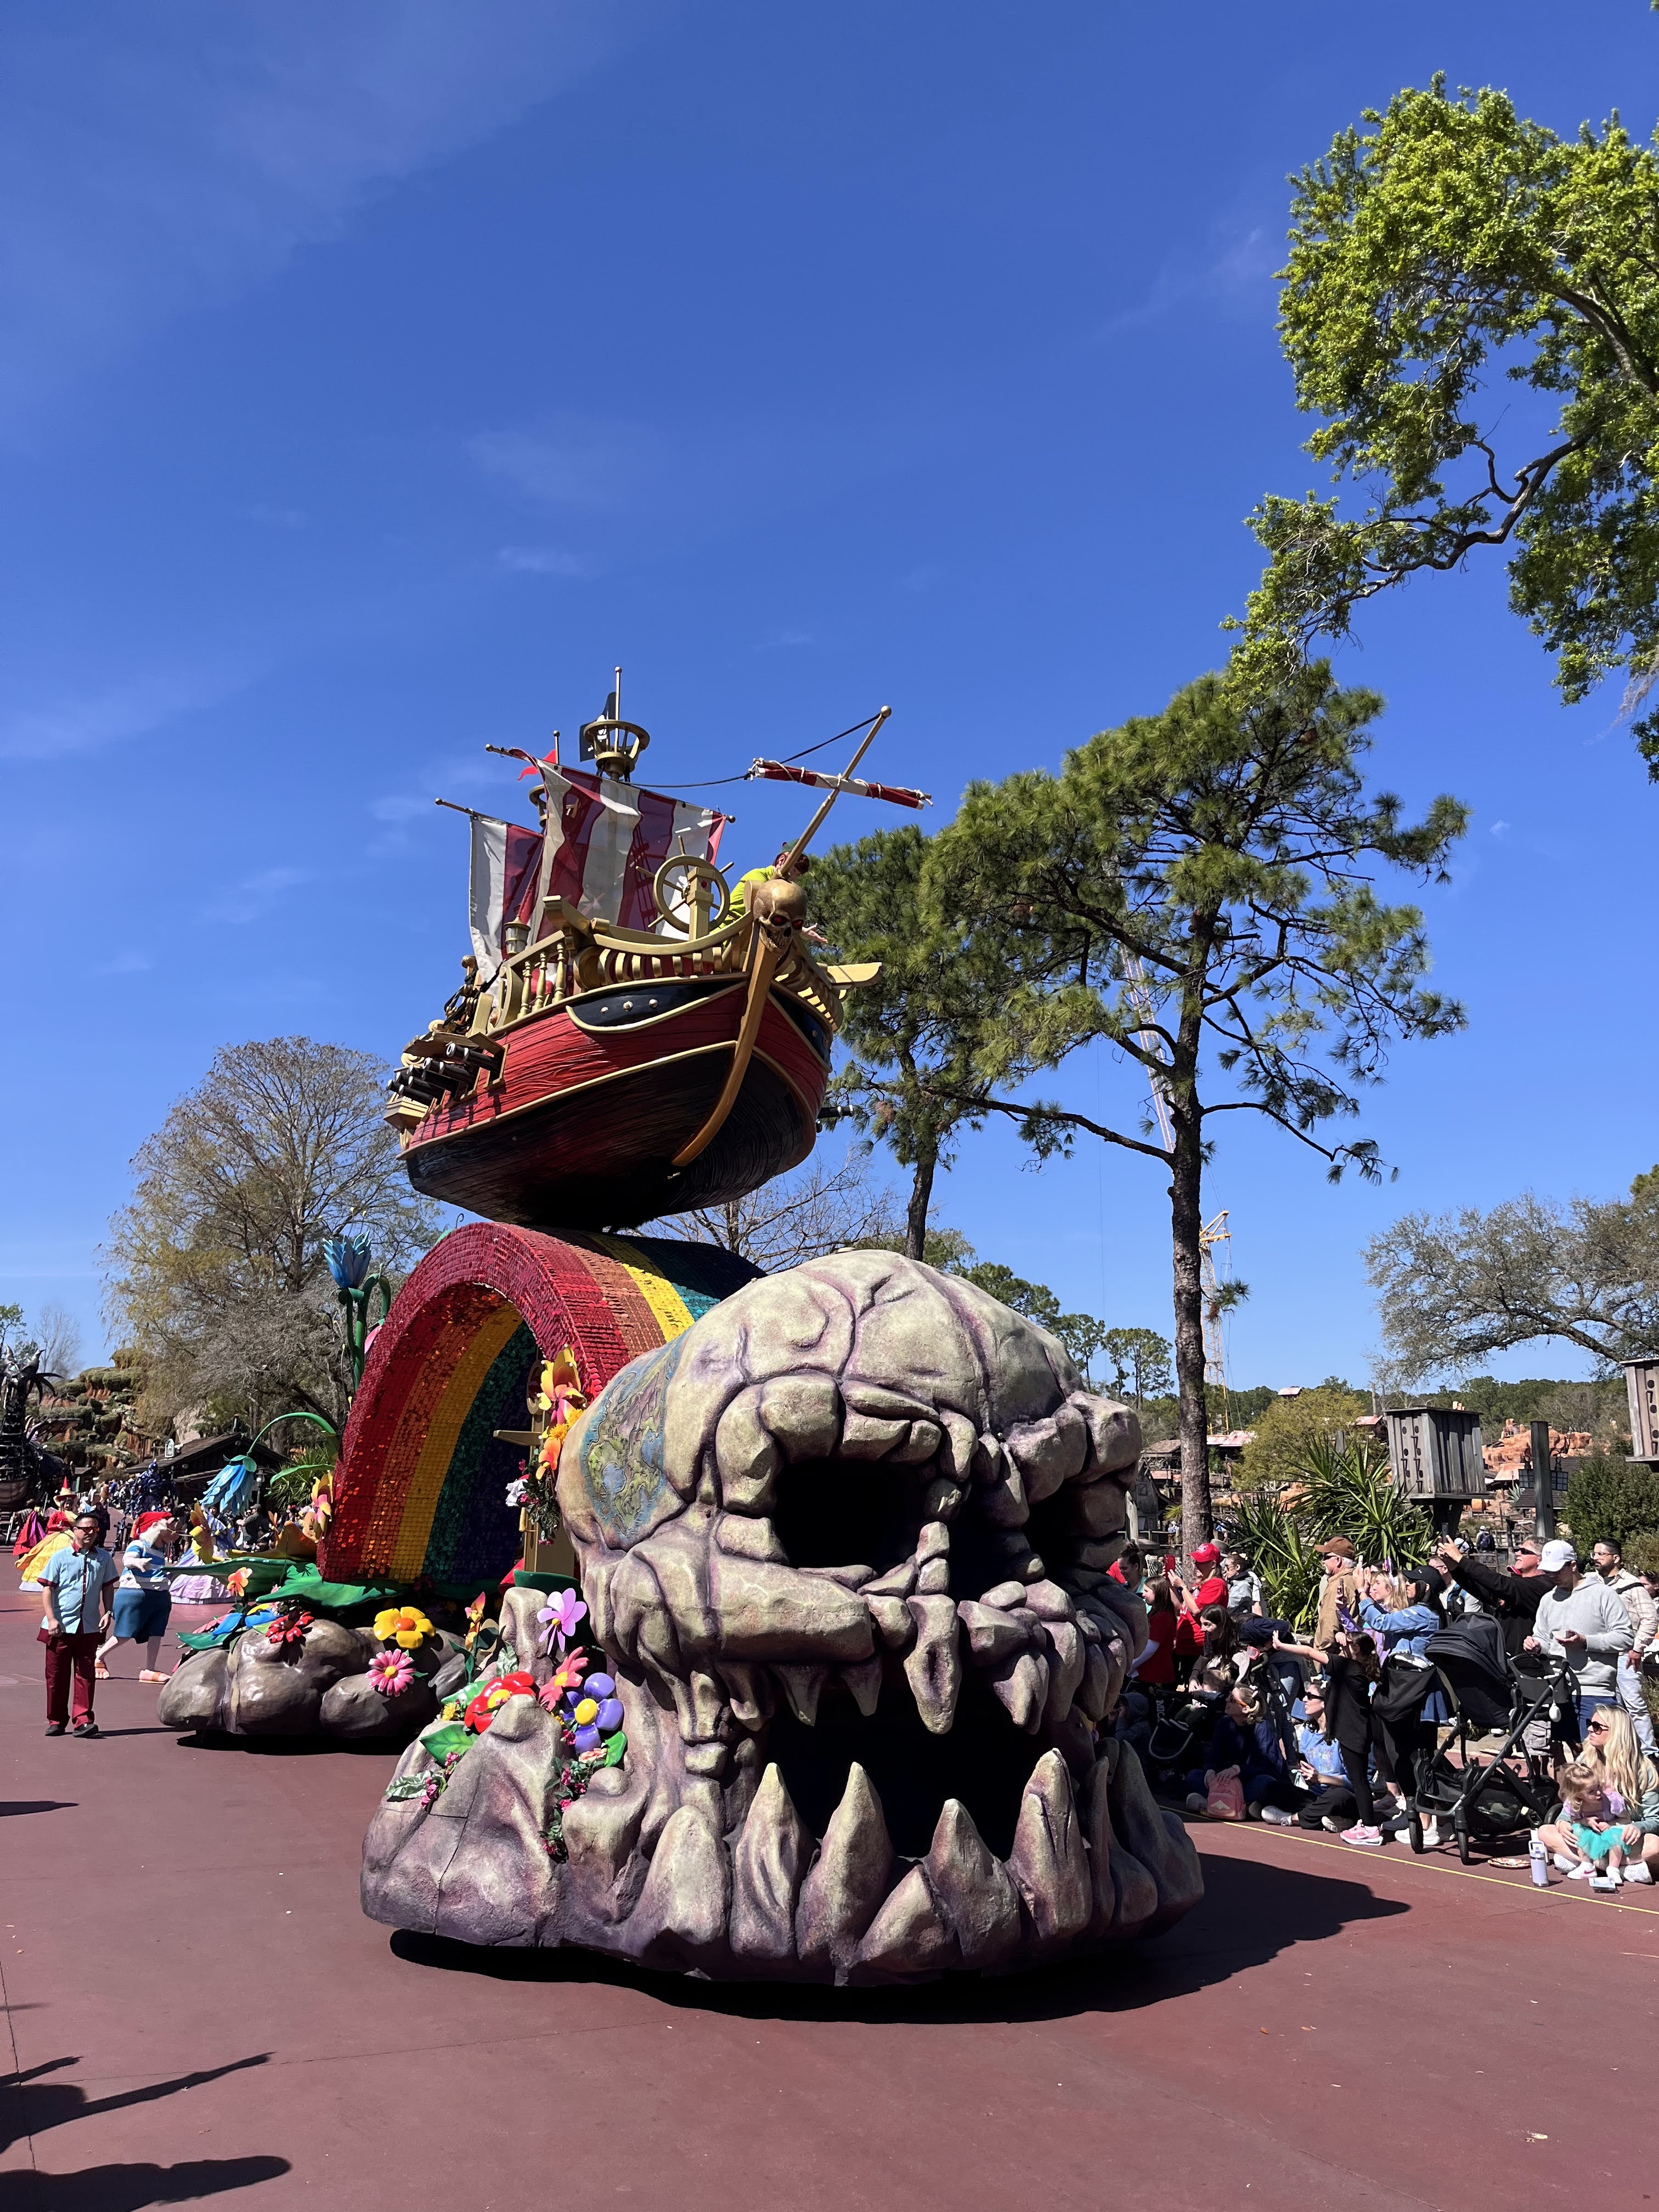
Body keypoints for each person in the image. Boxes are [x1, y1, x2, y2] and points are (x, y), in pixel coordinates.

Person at [1275, 1627, 1385, 1847]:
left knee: (1359, 1781)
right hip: (1356, 1731)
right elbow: (1355, 1639)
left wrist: (1281, 1646)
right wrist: (1344, 1632)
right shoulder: (1356, 1668)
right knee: (1359, 1781)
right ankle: (1364, 1822)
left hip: (1354, 1733)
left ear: (1356, 1650)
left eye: (1347, 1645)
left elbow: (1309, 1652)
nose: (1342, 1647)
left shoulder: (1348, 1667)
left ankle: (1370, 1828)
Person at [1525, 1540, 1632, 1741]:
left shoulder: (1603, 1594)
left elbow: (1626, 1638)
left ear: (1573, 1565)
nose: (1552, 1576)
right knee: (1574, 1748)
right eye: (1548, 1572)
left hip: (1595, 1689)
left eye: (1557, 1571)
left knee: (1599, 1750)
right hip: (1560, 1688)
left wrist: (1585, 1642)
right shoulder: (1548, 1600)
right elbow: (1543, 1638)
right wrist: (1537, 1646)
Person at [39, 1511, 118, 1737]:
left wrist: (108, 1612)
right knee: (56, 1676)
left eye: (95, 1529)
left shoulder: (104, 1559)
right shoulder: (60, 1558)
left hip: (89, 1626)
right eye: (86, 1529)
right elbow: (48, 1589)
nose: (90, 1533)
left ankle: (83, 1721)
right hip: (60, 1627)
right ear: (75, 1531)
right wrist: (51, 1618)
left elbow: (108, 1587)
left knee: (86, 1674)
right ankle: (56, 1720)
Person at [1588, 1537, 1657, 1755]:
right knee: (1610, 1707)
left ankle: (1649, 1752)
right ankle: (1620, 1750)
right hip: (1599, 1656)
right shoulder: (1591, 1582)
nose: (1596, 1558)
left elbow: (1650, 1619)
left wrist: (1637, 1648)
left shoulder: (1633, 1585)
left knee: (1635, 1705)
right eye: (1594, 1554)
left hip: (1625, 1656)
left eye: (1601, 1554)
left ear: (1616, 1558)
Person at [1436, 1534, 1548, 1660]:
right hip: (1505, 1663)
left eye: (1524, 1552)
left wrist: (1460, 1559)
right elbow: (1482, 1591)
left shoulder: (1541, 1585)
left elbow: (1499, 1583)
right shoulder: (1518, 1586)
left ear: (1540, 1559)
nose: (1518, 1554)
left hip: (1528, 1665)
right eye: (1519, 1550)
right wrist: (1452, 1566)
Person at [97, 1516, 177, 1683]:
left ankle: (149, 1669)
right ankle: (99, 1656)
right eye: (170, 1528)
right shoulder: (139, 1545)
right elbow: (128, 1560)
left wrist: (173, 1574)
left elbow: (158, 1573)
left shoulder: (159, 1552)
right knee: (125, 1633)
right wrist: (137, 1562)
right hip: (135, 1593)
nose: (174, 1533)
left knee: (156, 1633)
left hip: (158, 1595)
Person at [1551, 1758, 1628, 1889]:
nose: (1598, 1792)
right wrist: (1585, 1821)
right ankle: (1587, 1866)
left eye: (1598, 1786)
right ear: (1579, 1795)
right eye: (1591, 1791)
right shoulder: (1575, 1805)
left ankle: (1613, 1869)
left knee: (1616, 1834)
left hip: (1609, 1835)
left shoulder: (1611, 1801)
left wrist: (1611, 1824)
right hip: (1591, 1837)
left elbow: (1627, 1820)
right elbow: (1574, 1821)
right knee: (1577, 1828)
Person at [1291, 1684, 1357, 1831]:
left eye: (1310, 1697)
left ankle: (1294, 1818)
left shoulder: (1343, 1736)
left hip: (1343, 1797)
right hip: (1316, 1797)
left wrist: (1321, 1778)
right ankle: (1330, 1819)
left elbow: (1356, 1783)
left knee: (1338, 1796)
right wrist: (1307, 1775)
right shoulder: (1308, 1733)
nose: (1304, 1700)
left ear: (1325, 1702)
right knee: (1276, 1788)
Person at [1314, 1536, 1360, 1654]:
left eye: (1326, 1557)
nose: (1323, 1561)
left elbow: (1329, 1627)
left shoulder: (1337, 1587)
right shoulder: (1357, 1580)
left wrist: (1322, 1655)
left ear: (1338, 1560)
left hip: (1337, 1655)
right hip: (1355, 1651)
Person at [1130, 1577, 1178, 1685]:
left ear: (1158, 1593)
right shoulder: (1158, 1613)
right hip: (1149, 1672)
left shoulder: (1162, 1617)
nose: (1143, 1594)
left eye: (1146, 1591)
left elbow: (1150, 1648)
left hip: (1155, 1674)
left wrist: (1131, 1665)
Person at [1222, 1549, 1264, 1618]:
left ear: (1237, 1567)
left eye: (1227, 1567)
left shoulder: (1244, 1585)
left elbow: (1228, 1606)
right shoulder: (1232, 1582)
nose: (1225, 1570)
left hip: (1238, 1622)